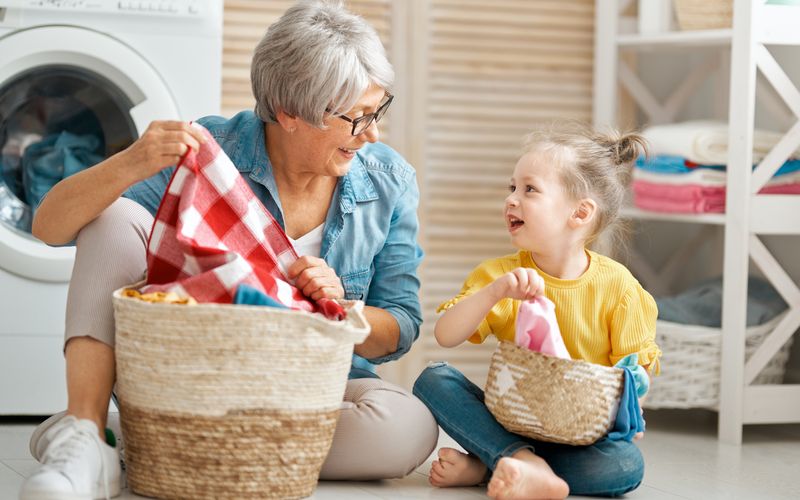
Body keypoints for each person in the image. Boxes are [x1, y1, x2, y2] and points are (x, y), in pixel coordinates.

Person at [19, 1, 438, 498]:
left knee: (406, 429)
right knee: (115, 216)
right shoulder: (211, 153)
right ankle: (88, 427)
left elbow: (401, 325)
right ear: (291, 113)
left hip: (314, 388)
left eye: (378, 110)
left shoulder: (388, 180)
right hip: (200, 375)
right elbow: (50, 227)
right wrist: (131, 162)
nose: (372, 134)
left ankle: (130, 437)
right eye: (358, 117)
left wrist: (345, 310)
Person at [412, 122, 662, 500]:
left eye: (529, 190)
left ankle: (494, 463)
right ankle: (519, 460)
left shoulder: (619, 288)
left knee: (625, 466)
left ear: (579, 214)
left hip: (577, 436)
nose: (512, 199)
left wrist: (632, 409)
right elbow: (445, 335)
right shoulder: (500, 276)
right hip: (510, 421)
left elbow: (635, 372)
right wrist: (495, 293)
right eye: (511, 187)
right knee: (433, 379)